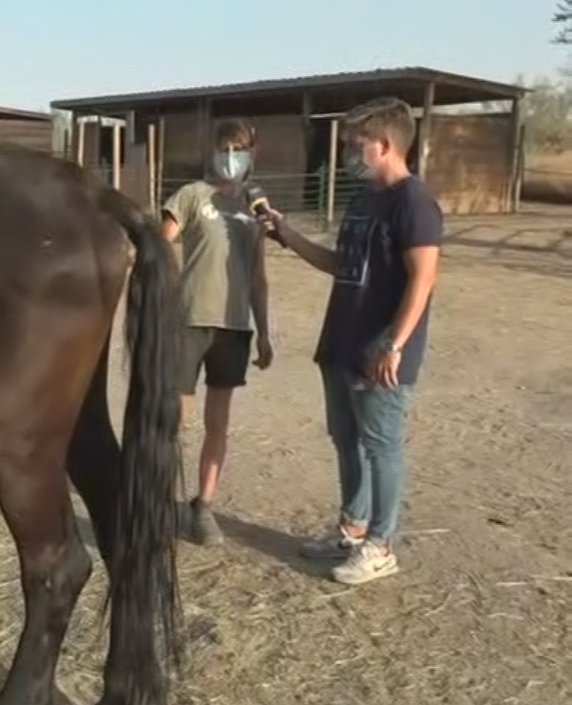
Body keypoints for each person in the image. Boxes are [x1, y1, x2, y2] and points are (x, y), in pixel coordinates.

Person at [256, 96, 442, 585]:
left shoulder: (414, 202)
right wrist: (285, 234)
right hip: (340, 344)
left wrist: (394, 343)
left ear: (383, 145)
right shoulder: (362, 202)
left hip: (380, 354)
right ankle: (353, 528)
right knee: (347, 441)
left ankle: (381, 545)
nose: (347, 154)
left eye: (355, 145)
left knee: (381, 446)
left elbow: (422, 279)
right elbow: (343, 266)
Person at [160, 118, 273, 546]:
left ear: (251, 153)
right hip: (188, 322)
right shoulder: (191, 195)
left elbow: (258, 276)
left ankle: (202, 506)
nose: (231, 157)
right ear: (212, 150)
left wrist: (263, 332)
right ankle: (161, 502)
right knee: (174, 422)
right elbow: (161, 244)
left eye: (239, 149)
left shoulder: (253, 206)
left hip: (233, 329)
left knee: (218, 425)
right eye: (225, 148)